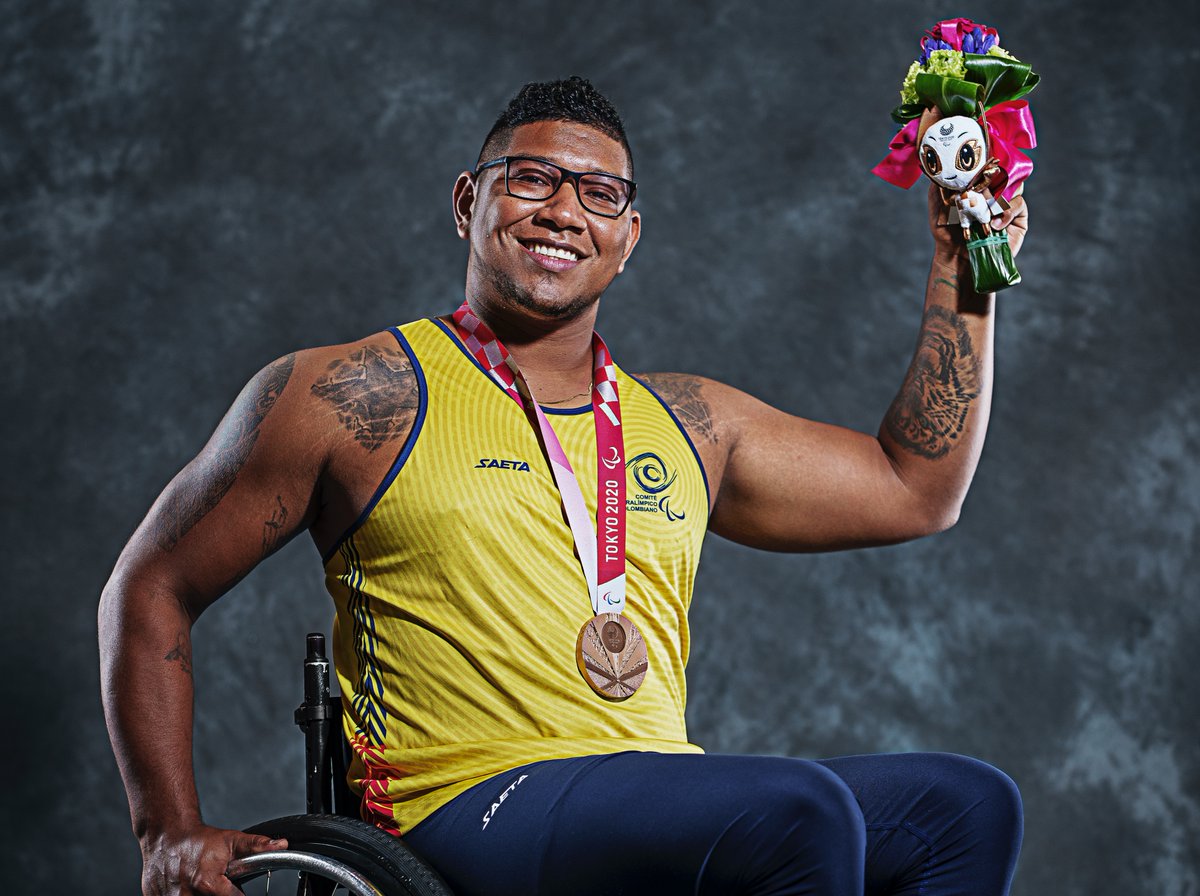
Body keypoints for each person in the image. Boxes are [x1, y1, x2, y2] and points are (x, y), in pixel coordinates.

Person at [100, 76, 1028, 896]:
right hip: (464, 803)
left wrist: (962, 264)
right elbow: (152, 587)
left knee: (967, 807)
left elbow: (916, 488)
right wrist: (165, 832)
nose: (562, 211)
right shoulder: (350, 395)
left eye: (599, 194)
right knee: (798, 812)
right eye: (532, 179)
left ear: (628, 238)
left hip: (653, 794)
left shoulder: (692, 424)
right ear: (470, 201)